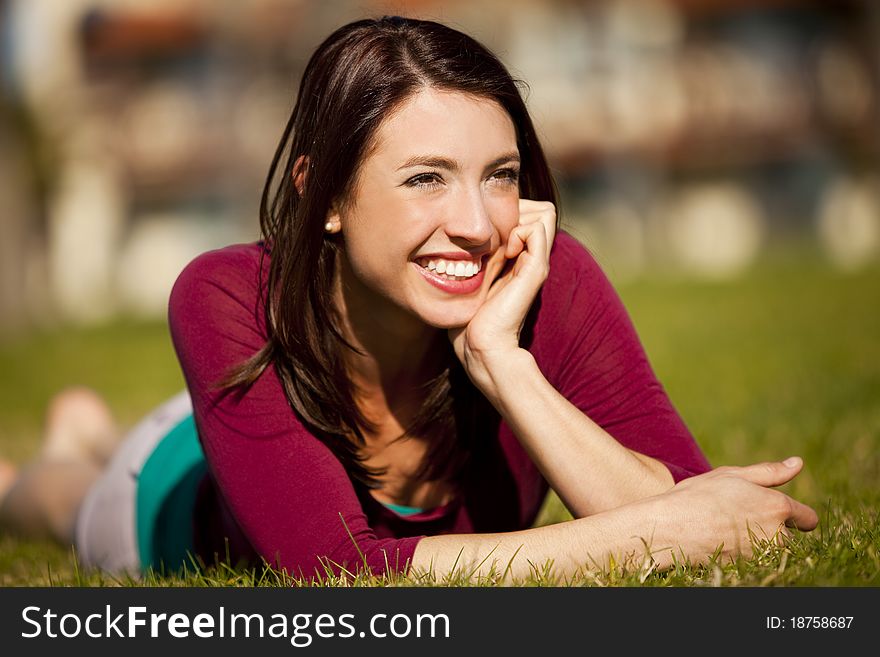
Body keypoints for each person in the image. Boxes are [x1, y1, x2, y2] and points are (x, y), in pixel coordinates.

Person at [0, 16, 818, 582]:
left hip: (247, 426)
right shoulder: (222, 294)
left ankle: (83, 431)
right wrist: (653, 532)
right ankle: (52, 456)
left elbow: (707, 517)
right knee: (68, 497)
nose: (474, 223)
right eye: (426, 178)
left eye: (499, 175)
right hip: (169, 485)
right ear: (323, 194)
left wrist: (508, 366)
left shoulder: (543, 273)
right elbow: (337, 575)